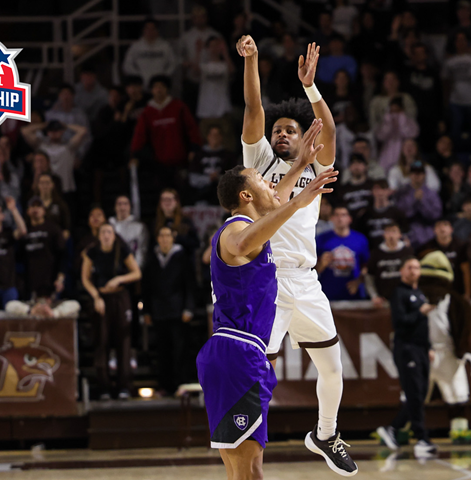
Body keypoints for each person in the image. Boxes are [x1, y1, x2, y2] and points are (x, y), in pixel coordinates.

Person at [237, 35, 357, 475]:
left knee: (332, 368)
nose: (282, 134)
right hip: (267, 278)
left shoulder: (313, 165)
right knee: (261, 374)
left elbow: (330, 128)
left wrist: (310, 86)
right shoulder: (259, 160)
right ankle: (248, 447)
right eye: (278, 129)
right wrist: (251, 62)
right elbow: (253, 108)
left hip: (306, 280)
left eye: (290, 129)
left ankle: (326, 434)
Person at [197, 161, 335, 479]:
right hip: (237, 353)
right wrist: (299, 202)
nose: (273, 185)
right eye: (263, 179)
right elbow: (242, 242)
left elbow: (276, 201)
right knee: (246, 472)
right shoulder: (235, 229)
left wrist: (301, 164)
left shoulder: (256, 225)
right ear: (246, 195)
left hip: (244, 354)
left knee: (250, 471)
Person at [376, 257, 437, 458]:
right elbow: (400, 322)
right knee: (414, 393)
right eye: (410, 267)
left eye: (417, 267)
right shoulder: (399, 293)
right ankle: (421, 438)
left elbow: (423, 326)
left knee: (419, 393)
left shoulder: (419, 293)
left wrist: (428, 347)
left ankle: (393, 428)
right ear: (402, 271)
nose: (413, 271)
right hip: (406, 348)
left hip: (421, 349)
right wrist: (420, 312)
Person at [418, 251, 471, 444]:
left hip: (449, 352)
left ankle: (460, 432)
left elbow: (464, 327)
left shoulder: (455, 301)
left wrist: (462, 349)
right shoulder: (414, 298)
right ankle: (405, 431)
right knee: (413, 394)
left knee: (457, 392)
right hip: (422, 352)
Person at [82, 223, 142, 400]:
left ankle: (124, 386)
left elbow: (136, 273)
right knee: (101, 341)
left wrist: (118, 279)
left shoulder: (121, 250)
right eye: (103, 232)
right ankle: (104, 387)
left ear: (114, 235)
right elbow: (85, 279)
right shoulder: (92, 252)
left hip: (120, 298)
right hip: (101, 299)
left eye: (109, 232)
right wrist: (96, 297)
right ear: (99, 235)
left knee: (123, 341)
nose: (106, 235)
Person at [143, 226, 196, 395]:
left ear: (173, 238)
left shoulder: (182, 258)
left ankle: (181, 385)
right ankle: (165, 386)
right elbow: (146, 288)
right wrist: (147, 311)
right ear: (157, 239)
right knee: (162, 351)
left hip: (178, 311)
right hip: (159, 312)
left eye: (168, 235)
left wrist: (189, 308)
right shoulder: (152, 260)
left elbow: (190, 285)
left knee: (180, 350)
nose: (165, 239)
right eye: (161, 235)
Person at [130, 75, 202, 193]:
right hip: (158, 162)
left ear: (167, 89)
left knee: (181, 192)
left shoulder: (178, 107)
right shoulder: (147, 112)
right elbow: (139, 135)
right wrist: (135, 155)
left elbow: (191, 129)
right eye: (155, 87)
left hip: (180, 160)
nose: (158, 90)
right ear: (152, 90)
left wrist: (194, 148)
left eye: (161, 87)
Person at [20, 120, 89, 203]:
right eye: (52, 130)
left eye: (57, 130)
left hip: (65, 189)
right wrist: (44, 125)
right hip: (46, 189)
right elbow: (24, 131)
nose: (54, 133)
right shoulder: (41, 145)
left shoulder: (69, 147)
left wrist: (66, 125)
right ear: (48, 132)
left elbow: (83, 131)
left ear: (62, 131)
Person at [442, 32, 471, 150]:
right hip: (456, 101)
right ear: (455, 43)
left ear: (467, 42)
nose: (461, 42)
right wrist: (446, 101)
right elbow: (445, 80)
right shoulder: (450, 60)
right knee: (455, 130)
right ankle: (456, 155)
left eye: (463, 40)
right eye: (458, 40)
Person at [316, 205, 370, 301]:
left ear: (350, 219)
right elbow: (313, 269)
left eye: (343, 215)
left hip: (354, 293)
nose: (340, 218)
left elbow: (367, 267)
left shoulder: (360, 239)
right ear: (332, 218)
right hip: (328, 293)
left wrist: (358, 281)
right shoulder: (321, 239)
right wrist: (322, 265)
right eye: (336, 215)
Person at [22, 197, 66, 300]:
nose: (35, 209)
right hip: (31, 283)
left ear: (44, 211)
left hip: (50, 281)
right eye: (32, 206)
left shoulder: (53, 229)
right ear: (28, 211)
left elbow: (63, 255)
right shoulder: (24, 231)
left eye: (39, 206)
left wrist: (60, 278)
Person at [416, 217, 471, 298]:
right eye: (438, 226)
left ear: (451, 229)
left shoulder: (460, 246)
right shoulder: (426, 248)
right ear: (434, 230)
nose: (442, 228)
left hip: (456, 290)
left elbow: (466, 270)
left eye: (445, 225)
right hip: (434, 291)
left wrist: (468, 293)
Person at [393, 161, 443, 248]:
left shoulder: (431, 193)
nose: (417, 176)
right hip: (407, 233)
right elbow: (398, 213)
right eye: (414, 173)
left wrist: (422, 201)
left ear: (424, 175)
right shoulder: (402, 193)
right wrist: (413, 199)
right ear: (410, 175)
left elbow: (436, 215)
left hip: (427, 234)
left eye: (419, 173)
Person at [365, 221, 413, 307]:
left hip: (405, 299)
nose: (391, 235)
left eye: (394, 231)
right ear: (383, 234)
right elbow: (369, 277)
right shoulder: (376, 253)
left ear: (400, 234)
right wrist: (374, 296)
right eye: (388, 232)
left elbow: (415, 274)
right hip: (383, 301)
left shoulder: (407, 252)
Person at [188, 125, 238, 205]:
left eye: (217, 135)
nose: (214, 137)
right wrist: (208, 179)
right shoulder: (198, 155)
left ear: (221, 137)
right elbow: (192, 179)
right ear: (208, 136)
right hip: (201, 193)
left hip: (222, 193)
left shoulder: (229, 156)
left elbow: (234, 178)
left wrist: (218, 177)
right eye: (212, 134)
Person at [122, 19, 178, 90]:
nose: (150, 31)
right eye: (147, 28)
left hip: (159, 86)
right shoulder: (136, 46)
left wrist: (164, 76)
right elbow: (127, 65)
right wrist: (138, 76)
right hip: (141, 87)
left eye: (153, 29)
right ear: (143, 30)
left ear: (157, 30)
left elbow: (173, 63)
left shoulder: (165, 46)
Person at [375, 97, 419, 172]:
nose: (395, 114)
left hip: (405, 155)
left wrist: (402, 122)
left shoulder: (410, 121)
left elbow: (412, 134)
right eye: (392, 111)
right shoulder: (385, 123)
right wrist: (388, 123)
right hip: (387, 156)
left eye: (397, 111)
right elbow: (380, 136)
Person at [109, 195, 149, 269]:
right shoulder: (109, 225)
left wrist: (136, 269)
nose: (122, 207)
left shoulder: (139, 226)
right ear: (115, 207)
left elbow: (142, 250)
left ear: (130, 206)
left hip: (132, 268)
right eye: (119, 204)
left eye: (125, 204)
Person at [336, 154, 373, 218]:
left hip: (370, 220)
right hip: (350, 223)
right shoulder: (343, 189)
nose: (356, 166)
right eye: (353, 163)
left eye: (359, 163)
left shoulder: (372, 185)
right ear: (349, 167)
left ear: (366, 166)